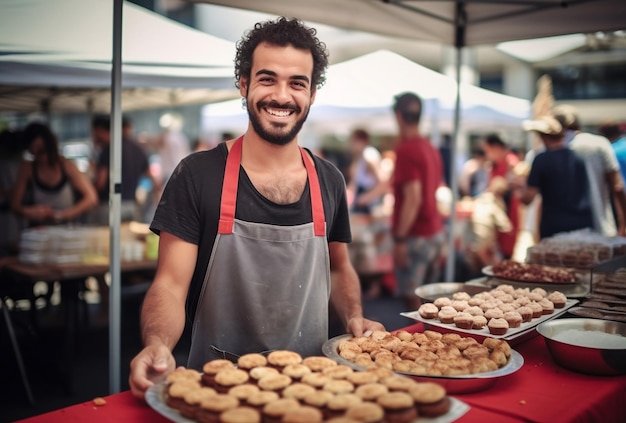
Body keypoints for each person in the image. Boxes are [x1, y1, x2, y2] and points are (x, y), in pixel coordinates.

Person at [129, 17, 384, 400]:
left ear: (312, 93)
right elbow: (169, 284)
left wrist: (354, 316)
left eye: (297, 83)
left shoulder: (329, 180)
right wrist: (158, 342)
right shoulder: (197, 175)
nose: (282, 96)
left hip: (313, 390)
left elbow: (339, 267)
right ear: (244, 84)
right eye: (267, 79)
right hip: (215, 390)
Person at [389, 92, 446, 312]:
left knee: (414, 304)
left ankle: (422, 346)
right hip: (434, 232)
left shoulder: (407, 149)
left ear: (398, 116)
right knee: (430, 303)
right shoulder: (430, 147)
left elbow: (413, 198)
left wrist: (400, 240)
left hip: (416, 236)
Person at [554, 105, 626, 236]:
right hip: (600, 226)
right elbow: (617, 186)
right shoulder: (600, 143)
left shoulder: (549, 150)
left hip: (561, 233)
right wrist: (624, 222)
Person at [517, 115, 593, 239]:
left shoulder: (542, 159)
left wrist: (519, 189)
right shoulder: (579, 157)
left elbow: (528, 198)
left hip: (554, 226)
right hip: (583, 222)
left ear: (543, 137)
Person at [10, 122, 98, 226]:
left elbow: (91, 198)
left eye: (42, 150)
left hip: (67, 227)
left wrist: (64, 215)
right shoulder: (27, 168)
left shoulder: (66, 165)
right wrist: (30, 211)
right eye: (34, 152)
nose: (41, 158)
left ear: (50, 146)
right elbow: (15, 206)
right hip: (38, 230)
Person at [90, 115, 158, 224]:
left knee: (107, 240)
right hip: (131, 205)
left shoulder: (109, 149)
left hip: (109, 206)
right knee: (128, 240)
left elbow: (100, 182)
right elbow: (153, 179)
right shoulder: (138, 149)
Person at [481, 133, 520, 259]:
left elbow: (511, 186)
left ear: (496, 147)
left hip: (510, 211)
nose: (487, 155)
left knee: (508, 245)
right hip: (499, 210)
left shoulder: (511, 162)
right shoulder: (493, 165)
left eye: (488, 151)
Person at [465, 176, 513, 274]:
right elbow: (506, 226)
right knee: (491, 266)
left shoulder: (481, 198)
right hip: (485, 240)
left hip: (473, 239)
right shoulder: (495, 203)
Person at [347, 128, 385, 214]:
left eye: (353, 141)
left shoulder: (369, 156)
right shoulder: (359, 158)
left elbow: (383, 183)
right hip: (361, 201)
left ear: (361, 141)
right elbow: (354, 183)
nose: (350, 145)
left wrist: (366, 198)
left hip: (369, 204)